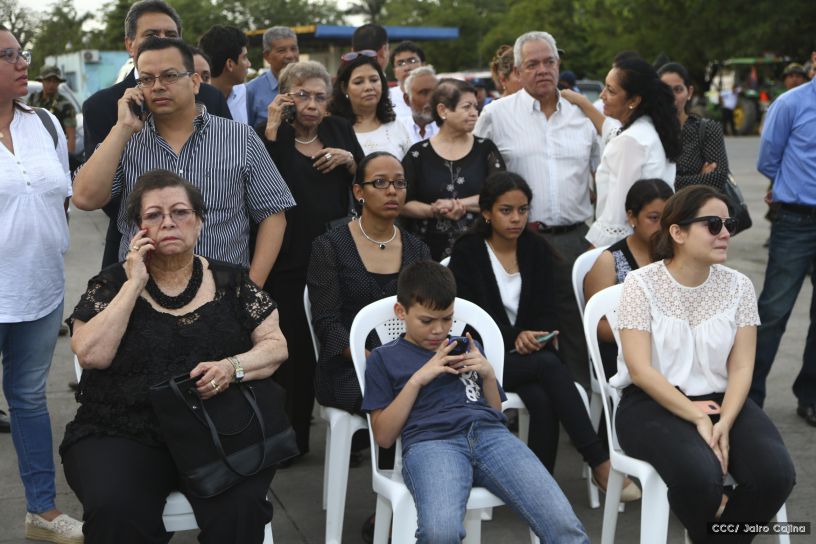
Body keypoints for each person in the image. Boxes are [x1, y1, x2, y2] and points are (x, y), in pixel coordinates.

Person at [63, 170, 288, 543]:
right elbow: (91, 355)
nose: (168, 222)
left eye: (180, 212)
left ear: (199, 222)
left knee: (242, 509)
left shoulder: (233, 282)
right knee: (115, 510)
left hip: (217, 427)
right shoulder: (111, 284)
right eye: (154, 215)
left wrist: (232, 367)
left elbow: (275, 345)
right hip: (123, 429)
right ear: (137, 229)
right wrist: (134, 283)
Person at [613, 185, 795, 543]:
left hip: (723, 400)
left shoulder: (738, 286)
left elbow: (742, 367)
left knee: (775, 476)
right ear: (677, 233)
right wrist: (697, 417)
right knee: (699, 478)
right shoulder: (640, 284)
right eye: (713, 224)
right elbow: (640, 370)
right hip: (651, 402)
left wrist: (724, 421)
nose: (725, 233)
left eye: (728, 224)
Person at [361, 260, 590, 544]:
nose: (438, 330)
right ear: (401, 312)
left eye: (447, 318)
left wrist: (489, 375)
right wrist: (418, 379)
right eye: (427, 321)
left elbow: (495, 412)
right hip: (432, 443)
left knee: (563, 524)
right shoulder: (384, 358)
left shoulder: (466, 346)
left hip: (491, 436)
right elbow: (383, 436)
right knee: (440, 534)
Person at [449, 172, 640, 500]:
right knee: (550, 367)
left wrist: (534, 336)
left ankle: (536, 490)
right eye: (506, 210)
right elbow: (467, 319)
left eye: (522, 210)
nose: (516, 218)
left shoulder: (535, 248)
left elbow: (550, 311)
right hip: (481, 359)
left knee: (542, 398)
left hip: (528, 358)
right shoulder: (468, 251)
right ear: (487, 212)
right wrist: (515, 337)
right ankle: (598, 460)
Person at [72, 37, 294, 288]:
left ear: (195, 82)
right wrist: (122, 128)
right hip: (142, 293)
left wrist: (252, 287)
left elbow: (273, 214)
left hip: (222, 293)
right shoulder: (125, 142)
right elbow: (84, 199)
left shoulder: (240, 138)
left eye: (170, 76)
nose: (157, 86)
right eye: (146, 79)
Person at [474, 31, 600, 383]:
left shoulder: (583, 115)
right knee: (524, 328)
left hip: (575, 239)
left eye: (549, 62)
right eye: (532, 64)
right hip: (518, 241)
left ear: (559, 64)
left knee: (576, 329)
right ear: (516, 70)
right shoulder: (496, 115)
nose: (543, 70)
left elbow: (604, 175)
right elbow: (478, 176)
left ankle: (578, 403)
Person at [0, 25, 84, 543]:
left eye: (20, 52)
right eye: (7, 54)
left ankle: (42, 509)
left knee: (29, 399)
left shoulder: (46, 123)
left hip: (40, 292)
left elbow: (63, 198)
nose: (22, 62)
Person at [259, 60, 364, 455]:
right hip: (288, 257)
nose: (312, 105)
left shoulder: (338, 130)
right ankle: (293, 439)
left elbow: (364, 175)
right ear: (285, 97)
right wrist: (272, 130)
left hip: (336, 255)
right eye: (302, 95)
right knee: (295, 351)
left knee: (341, 341)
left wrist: (348, 160)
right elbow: (261, 181)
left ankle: (355, 437)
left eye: (320, 97)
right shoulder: (270, 133)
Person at [82, 0, 232, 270]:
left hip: (215, 256)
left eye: (171, 35)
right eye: (152, 34)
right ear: (130, 44)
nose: (162, 41)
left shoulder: (211, 97)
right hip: (139, 253)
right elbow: (95, 196)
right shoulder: (102, 105)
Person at [308, 152, 431, 414]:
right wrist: (372, 359)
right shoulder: (330, 247)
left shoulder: (418, 250)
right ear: (358, 192)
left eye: (399, 183)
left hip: (409, 363)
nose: (392, 191)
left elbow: (429, 314)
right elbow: (327, 323)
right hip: (351, 367)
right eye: (380, 182)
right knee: (407, 399)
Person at [751, 67, 816, 425]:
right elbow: (767, 160)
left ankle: (811, 397)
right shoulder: (790, 104)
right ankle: (749, 398)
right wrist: (788, 185)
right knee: (773, 312)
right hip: (796, 220)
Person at [402, 79, 505, 260]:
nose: (474, 113)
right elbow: (402, 202)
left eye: (475, 106)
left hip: (481, 250)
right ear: (443, 110)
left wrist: (457, 204)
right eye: (466, 107)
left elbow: (500, 195)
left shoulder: (485, 149)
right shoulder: (418, 154)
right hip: (428, 255)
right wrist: (434, 210)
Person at [585, 56, 680, 248]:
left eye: (611, 90)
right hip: (653, 241)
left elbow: (617, 215)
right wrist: (580, 102)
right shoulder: (649, 130)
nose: (602, 95)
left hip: (629, 247)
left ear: (634, 100)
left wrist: (594, 255)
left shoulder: (630, 141)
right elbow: (609, 130)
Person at [583, 178, 673, 376]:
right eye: (653, 218)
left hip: (669, 350)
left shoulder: (675, 255)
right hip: (621, 356)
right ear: (631, 216)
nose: (661, 226)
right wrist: (648, 331)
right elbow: (598, 326)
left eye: (667, 218)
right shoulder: (610, 261)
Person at [658, 62, 729, 191]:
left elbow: (718, 177)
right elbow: (647, 180)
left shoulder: (707, 129)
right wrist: (700, 179)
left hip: (700, 204)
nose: (671, 97)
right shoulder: (649, 131)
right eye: (665, 90)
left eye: (678, 90)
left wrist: (668, 182)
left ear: (689, 92)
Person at [329, 52, 412, 158]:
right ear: (344, 88)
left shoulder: (396, 126)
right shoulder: (334, 130)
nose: (368, 87)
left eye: (374, 80)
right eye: (358, 82)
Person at [246, 26, 299, 128]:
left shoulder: (310, 86)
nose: (290, 55)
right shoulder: (251, 91)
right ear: (267, 56)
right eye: (282, 50)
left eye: (294, 49)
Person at [198, 24, 251, 124]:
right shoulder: (195, 102)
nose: (249, 64)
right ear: (230, 64)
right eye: (244, 57)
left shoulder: (248, 95)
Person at [28, 65, 77, 158]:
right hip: (33, 149)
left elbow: (71, 137)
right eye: (48, 80)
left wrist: (69, 160)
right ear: (42, 81)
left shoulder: (66, 105)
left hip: (55, 151)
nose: (51, 84)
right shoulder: (33, 99)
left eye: (55, 81)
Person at [398, 65, 439, 144]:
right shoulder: (397, 130)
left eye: (436, 92)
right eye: (424, 93)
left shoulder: (453, 129)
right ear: (407, 99)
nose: (432, 99)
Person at [389, 41, 426, 119]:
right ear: (394, 72)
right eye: (400, 64)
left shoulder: (438, 96)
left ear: (423, 65)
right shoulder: (385, 99)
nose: (407, 68)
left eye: (412, 61)